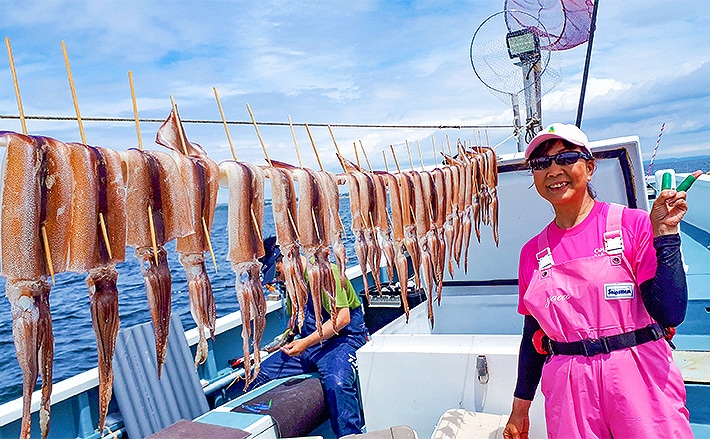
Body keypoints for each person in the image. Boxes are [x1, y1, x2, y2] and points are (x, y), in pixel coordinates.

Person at [503, 123, 693, 439]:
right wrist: (520, 408)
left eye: (566, 158)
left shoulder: (633, 225)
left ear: (589, 167)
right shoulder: (532, 254)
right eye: (541, 163)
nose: (553, 170)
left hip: (640, 378)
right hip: (569, 388)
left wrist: (667, 235)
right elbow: (533, 336)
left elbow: (671, 312)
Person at [253, 240, 369, 438]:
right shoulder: (293, 284)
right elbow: (295, 322)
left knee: (337, 384)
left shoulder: (326, 272)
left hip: (343, 341)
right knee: (261, 374)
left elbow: (342, 318)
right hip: (311, 344)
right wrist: (283, 340)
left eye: (278, 273)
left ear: (288, 259)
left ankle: (350, 435)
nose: (278, 279)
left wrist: (305, 343)